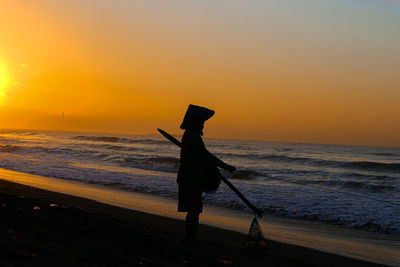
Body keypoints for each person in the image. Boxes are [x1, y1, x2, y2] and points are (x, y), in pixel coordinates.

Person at [177, 104, 235, 245]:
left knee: (194, 210)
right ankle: (190, 239)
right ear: (195, 121)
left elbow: (202, 156)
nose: (203, 124)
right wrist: (224, 166)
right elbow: (205, 155)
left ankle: (190, 239)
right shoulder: (191, 135)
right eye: (201, 121)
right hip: (190, 178)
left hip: (190, 177)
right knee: (194, 210)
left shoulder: (192, 135)